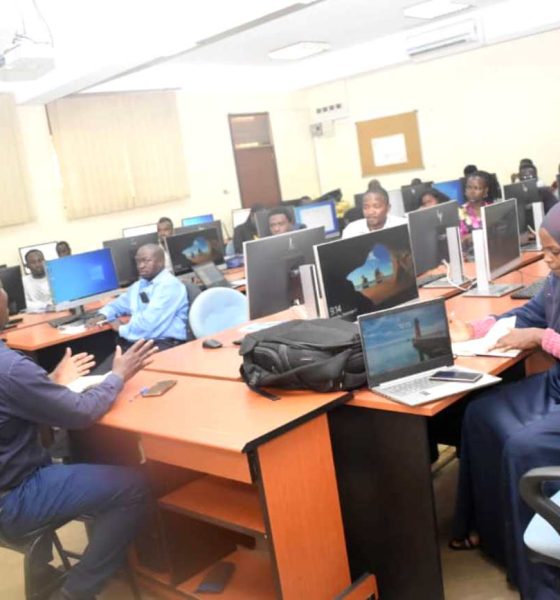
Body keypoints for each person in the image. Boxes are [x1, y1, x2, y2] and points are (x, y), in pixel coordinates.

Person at [0, 284, 157, 600]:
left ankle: (43, 572)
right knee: (135, 486)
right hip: (14, 499)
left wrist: (47, 386)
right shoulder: (10, 368)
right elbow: (82, 412)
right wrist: (117, 376)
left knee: (65, 459)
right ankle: (76, 592)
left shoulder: (13, 370)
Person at [448, 202, 560, 599]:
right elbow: (528, 315)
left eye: (555, 252)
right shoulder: (556, 279)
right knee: (480, 412)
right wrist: (476, 328)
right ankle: (486, 533)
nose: (548, 261)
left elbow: (537, 333)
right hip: (556, 385)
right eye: (546, 251)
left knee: (521, 446)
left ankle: (537, 578)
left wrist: (540, 339)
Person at [92, 244, 188, 366]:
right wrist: (103, 315)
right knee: (96, 374)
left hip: (162, 345)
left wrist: (120, 328)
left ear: (161, 262)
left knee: (110, 377)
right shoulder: (140, 285)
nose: (141, 266)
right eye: (138, 261)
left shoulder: (169, 286)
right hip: (138, 343)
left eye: (146, 261)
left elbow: (148, 325)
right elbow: (118, 304)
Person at [342, 186, 406, 238]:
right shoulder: (351, 231)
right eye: (366, 207)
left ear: (388, 208)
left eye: (376, 206)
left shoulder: (403, 225)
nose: (370, 212)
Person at [458, 171, 494, 248]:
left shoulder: (493, 209)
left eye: (477, 188)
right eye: (469, 187)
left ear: (485, 191)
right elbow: (458, 241)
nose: (472, 192)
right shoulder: (460, 212)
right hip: (471, 255)